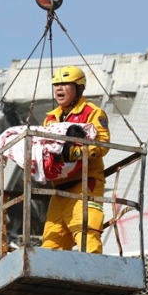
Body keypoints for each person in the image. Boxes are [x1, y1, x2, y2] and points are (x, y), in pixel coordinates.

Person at [41, 65, 110, 254]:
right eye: (56, 85)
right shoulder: (51, 119)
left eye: (65, 84)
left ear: (79, 88)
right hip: (59, 190)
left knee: (86, 232)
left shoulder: (92, 112)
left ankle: (93, 276)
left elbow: (103, 143)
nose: (59, 89)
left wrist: (75, 153)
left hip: (86, 184)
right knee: (51, 242)